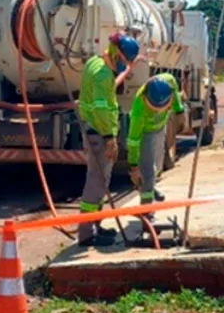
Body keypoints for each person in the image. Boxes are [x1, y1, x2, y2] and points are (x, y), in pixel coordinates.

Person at [76, 32, 141, 247]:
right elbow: (101, 108)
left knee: (101, 180)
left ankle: (95, 225)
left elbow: (109, 87)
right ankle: (86, 233)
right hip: (99, 133)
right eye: (126, 61)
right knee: (97, 181)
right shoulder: (103, 75)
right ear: (117, 55)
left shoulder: (96, 63)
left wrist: (129, 69)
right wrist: (109, 138)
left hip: (92, 129)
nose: (125, 66)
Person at [127, 73, 187, 225]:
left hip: (160, 129)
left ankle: (151, 188)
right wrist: (133, 166)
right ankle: (147, 213)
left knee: (158, 166)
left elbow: (174, 89)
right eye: (154, 108)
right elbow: (133, 141)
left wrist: (180, 111)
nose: (158, 110)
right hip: (145, 134)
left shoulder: (168, 81)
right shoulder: (139, 110)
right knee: (147, 172)